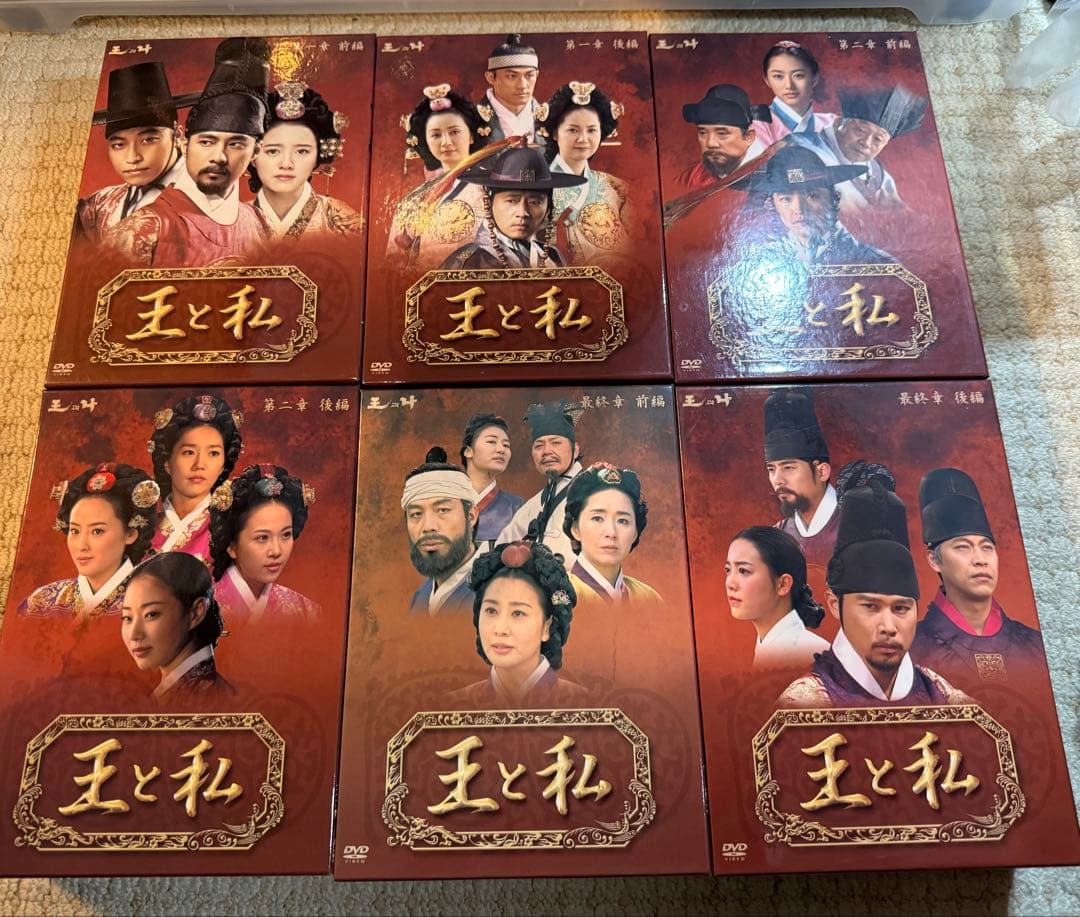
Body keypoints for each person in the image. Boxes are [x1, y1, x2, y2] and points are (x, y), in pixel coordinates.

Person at [777, 465, 971, 707]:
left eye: (901, 608)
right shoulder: (805, 702)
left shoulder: (946, 697)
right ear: (835, 604)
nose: (888, 627)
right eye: (870, 606)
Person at [107, 37, 271, 267]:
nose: (219, 157)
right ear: (184, 143)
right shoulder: (145, 229)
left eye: (236, 144)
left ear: (256, 151)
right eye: (206, 142)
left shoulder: (259, 223)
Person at [912, 468, 1047, 691]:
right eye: (963, 547)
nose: (980, 560)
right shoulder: (908, 649)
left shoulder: (1036, 645)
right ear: (934, 560)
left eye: (987, 548)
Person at [454, 540, 589, 707]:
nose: (500, 629)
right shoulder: (454, 705)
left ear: (547, 626)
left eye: (518, 613)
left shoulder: (585, 705)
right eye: (491, 611)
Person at [19, 463, 159, 621]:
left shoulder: (154, 603)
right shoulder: (41, 602)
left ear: (130, 534)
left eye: (97, 531)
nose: (81, 546)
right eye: (75, 531)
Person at [76, 61, 196, 243]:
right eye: (119, 145)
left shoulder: (205, 196)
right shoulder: (99, 205)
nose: (133, 157)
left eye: (148, 140)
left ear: (177, 134)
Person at [729, 143, 893, 266]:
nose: (799, 209)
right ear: (773, 205)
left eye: (812, 196)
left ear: (833, 198)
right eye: (786, 199)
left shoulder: (876, 264)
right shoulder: (762, 264)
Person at [387, 86, 491, 268]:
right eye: (435, 135)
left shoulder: (493, 188)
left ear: (472, 136)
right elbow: (392, 264)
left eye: (454, 132)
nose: (446, 142)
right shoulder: (412, 201)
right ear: (426, 141)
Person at [208, 463, 321, 628]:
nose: (276, 551)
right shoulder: (201, 613)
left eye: (286, 535)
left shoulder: (306, 612)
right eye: (262, 538)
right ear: (232, 546)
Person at [248, 81, 361, 240]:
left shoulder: (343, 222)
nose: (286, 164)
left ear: (317, 157)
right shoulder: (232, 221)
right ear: (253, 155)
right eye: (273, 151)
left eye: (302, 151)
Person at [441, 145, 585, 270]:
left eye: (534, 202)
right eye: (511, 201)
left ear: (548, 208)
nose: (522, 213)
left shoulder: (553, 257)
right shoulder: (466, 262)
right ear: (489, 204)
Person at [792, 85, 928, 215]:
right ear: (839, 124)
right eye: (860, 130)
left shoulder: (876, 172)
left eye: (878, 139)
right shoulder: (806, 147)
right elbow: (788, 177)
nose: (866, 143)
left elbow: (898, 209)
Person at [121, 551, 233, 701]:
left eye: (151, 614)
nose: (134, 634)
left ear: (196, 613)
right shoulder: (177, 691)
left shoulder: (207, 698)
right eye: (127, 618)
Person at [539, 81, 630, 262]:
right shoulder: (534, 186)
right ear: (555, 133)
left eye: (592, 130)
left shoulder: (616, 188)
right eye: (573, 130)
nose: (583, 139)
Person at [148, 393, 244, 564]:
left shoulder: (231, 530)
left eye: (213, 453)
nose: (200, 465)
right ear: (167, 462)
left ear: (223, 465)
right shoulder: (142, 528)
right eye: (189, 452)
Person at [497, 400, 584, 571]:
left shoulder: (595, 491)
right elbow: (500, 548)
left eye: (556, 442)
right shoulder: (533, 505)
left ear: (575, 450)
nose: (546, 451)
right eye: (539, 445)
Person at [726, 526, 828, 670]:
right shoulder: (769, 647)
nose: (730, 583)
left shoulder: (812, 655)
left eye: (743, 571)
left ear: (783, 584)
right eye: (728, 570)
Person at [562, 462, 661, 607]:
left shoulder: (650, 599)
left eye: (623, 521)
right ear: (575, 529)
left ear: (635, 533)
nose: (611, 533)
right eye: (597, 518)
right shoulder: (558, 595)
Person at [763, 389, 837, 569]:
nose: (777, 480)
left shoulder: (858, 526)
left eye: (788, 468)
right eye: (771, 469)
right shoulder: (778, 535)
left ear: (822, 472)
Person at [403, 447, 480, 615]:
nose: (428, 526)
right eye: (416, 514)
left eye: (443, 510)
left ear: (471, 516)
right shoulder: (420, 598)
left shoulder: (494, 590)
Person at [677, 83, 767, 192]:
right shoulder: (692, 177)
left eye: (722, 133)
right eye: (703, 132)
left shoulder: (771, 173)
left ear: (749, 137)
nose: (710, 143)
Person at [752, 41, 837, 146]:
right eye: (778, 76)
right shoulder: (756, 125)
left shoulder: (831, 123)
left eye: (798, 75)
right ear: (767, 80)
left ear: (815, 78)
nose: (789, 85)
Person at [459, 412, 523, 543]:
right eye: (491, 441)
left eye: (506, 445)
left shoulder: (516, 507)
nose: (501, 449)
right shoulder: (446, 501)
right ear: (469, 451)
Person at [476, 34, 541, 142]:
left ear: (537, 75)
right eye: (511, 76)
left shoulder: (553, 120)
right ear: (491, 77)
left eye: (529, 75)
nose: (522, 85)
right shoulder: (471, 120)